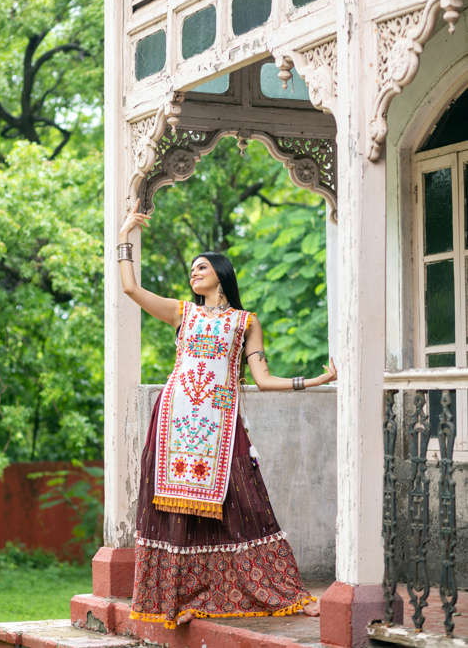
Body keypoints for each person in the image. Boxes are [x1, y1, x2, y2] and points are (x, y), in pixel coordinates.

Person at [118, 199, 337, 629]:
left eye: (202, 266)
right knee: (173, 510)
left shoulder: (244, 322)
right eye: (192, 269)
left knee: (245, 500)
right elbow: (131, 289)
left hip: (222, 423)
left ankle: (274, 588)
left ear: (221, 272)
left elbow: (263, 378)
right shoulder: (184, 313)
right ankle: (176, 596)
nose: (194, 272)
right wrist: (125, 236)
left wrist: (313, 381)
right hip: (175, 420)